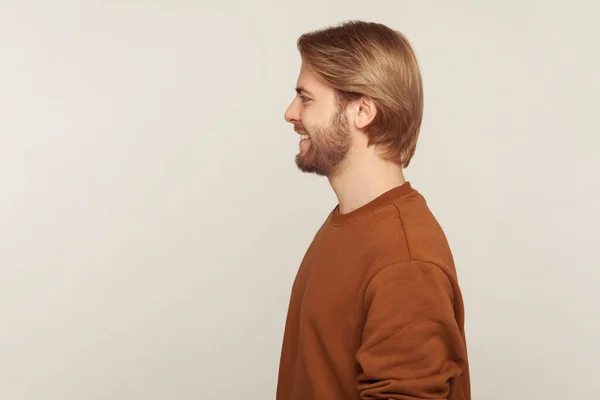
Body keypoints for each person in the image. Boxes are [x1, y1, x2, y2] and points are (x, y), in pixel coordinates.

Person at [276, 20, 471, 399]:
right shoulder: (350, 222)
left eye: (306, 98)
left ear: (363, 110)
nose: (290, 112)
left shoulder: (404, 259)